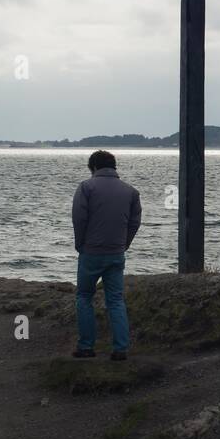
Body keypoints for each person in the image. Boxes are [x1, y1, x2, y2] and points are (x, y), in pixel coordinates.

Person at [71, 150, 141, 359]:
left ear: (92, 167)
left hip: (91, 252)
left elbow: (79, 219)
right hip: (116, 252)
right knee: (116, 300)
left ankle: (86, 346)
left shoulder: (86, 187)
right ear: (114, 166)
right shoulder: (131, 192)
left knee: (84, 297)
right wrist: (124, 244)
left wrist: (80, 244)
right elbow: (134, 223)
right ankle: (120, 349)